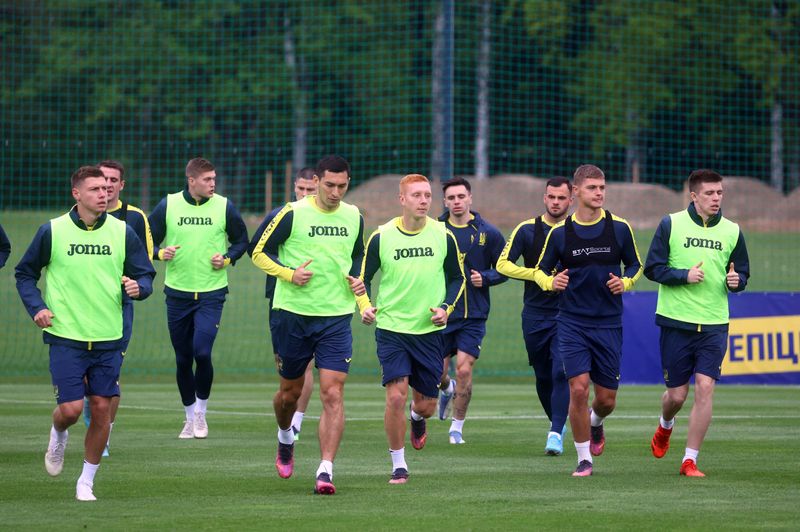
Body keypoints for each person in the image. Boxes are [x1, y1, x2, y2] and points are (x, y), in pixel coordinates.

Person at [15, 165, 155, 501]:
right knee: (71, 410)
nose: (104, 194)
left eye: (107, 189)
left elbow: (146, 275)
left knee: (102, 409)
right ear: (76, 194)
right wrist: (37, 308)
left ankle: (86, 482)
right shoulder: (52, 231)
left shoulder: (123, 232)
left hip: (109, 336)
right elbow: (24, 274)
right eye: (95, 189)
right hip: (66, 335)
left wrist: (140, 287)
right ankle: (58, 432)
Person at [251, 155, 366, 495]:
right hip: (292, 315)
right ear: (315, 181)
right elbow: (257, 251)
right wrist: (289, 274)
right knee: (289, 394)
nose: (335, 192)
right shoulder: (291, 213)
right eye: (329, 185)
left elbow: (359, 255)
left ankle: (325, 470)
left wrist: (357, 282)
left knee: (333, 392)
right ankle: (285, 436)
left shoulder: (354, 215)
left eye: (342, 186)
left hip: (335, 316)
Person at [533, 164, 642, 477]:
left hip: (608, 323)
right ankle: (583, 459)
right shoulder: (559, 234)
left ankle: (596, 422)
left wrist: (626, 283)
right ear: (576, 192)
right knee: (578, 389)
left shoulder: (619, 228)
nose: (599, 193)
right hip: (571, 323)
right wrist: (550, 283)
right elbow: (541, 271)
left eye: (602, 188)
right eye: (592, 188)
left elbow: (636, 265)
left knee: (605, 400)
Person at [359, 173, 465, 484]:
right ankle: (398, 464)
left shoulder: (443, 235)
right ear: (402, 199)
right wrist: (364, 307)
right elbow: (362, 279)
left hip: (429, 333)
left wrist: (446, 308)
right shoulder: (381, 236)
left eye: (427, 195)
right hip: (392, 329)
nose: (423, 200)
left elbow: (457, 279)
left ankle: (417, 418)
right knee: (395, 396)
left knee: (426, 405)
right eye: (416, 195)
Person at [644, 169, 750, 477]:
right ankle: (666, 425)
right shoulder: (671, 224)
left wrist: (736, 281)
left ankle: (689, 460)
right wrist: (683, 275)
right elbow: (653, 268)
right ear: (694, 196)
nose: (716, 198)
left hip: (715, 323)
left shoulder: (732, 230)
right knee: (676, 396)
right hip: (676, 322)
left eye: (720, 193)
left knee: (705, 388)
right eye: (709, 193)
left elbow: (742, 273)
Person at [149, 157, 248, 439]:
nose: (212, 184)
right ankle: (189, 418)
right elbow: (145, 240)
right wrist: (159, 253)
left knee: (201, 352)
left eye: (214, 179)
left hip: (211, 294)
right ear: (191, 180)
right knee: (183, 359)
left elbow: (242, 241)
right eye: (207, 180)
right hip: (177, 293)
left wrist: (227, 258)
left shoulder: (224, 206)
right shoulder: (168, 204)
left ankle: (201, 413)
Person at [81, 160, 154, 457]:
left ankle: (103, 433)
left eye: (112, 180)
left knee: (111, 374)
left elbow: (145, 261)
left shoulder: (134, 218)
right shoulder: (76, 220)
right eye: (101, 181)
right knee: (85, 377)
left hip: (118, 306)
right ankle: (90, 421)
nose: (107, 186)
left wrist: (136, 284)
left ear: (121, 185)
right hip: (82, 307)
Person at [496, 176, 573, 455]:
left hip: (568, 313)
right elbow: (502, 264)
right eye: (551, 197)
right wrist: (537, 276)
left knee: (560, 371)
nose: (555, 202)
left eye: (561, 198)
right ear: (544, 198)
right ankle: (559, 421)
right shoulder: (526, 229)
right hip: (535, 313)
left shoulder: (579, 230)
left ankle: (554, 433)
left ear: (570, 200)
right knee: (542, 375)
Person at [248, 167, 319, 442]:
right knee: (288, 365)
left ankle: (297, 421)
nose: (304, 194)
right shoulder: (282, 215)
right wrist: (287, 272)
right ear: (294, 187)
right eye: (300, 189)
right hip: (281, 298)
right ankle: (288, 414)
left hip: (318, 301)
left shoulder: (328, 218)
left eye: (309, 190)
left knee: (308, 364)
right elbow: (257, 248)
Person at [434, 176, 506, 444]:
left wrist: (486, 277)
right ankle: (446, 388)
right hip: (440, 314)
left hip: (474, 314)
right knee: (437, 375)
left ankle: (457, 427)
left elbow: (505, 268)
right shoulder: (435, 229)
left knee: (464, 369)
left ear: (470, 198)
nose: (456, 202)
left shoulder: (489, 233)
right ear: (445, 201)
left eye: (461, 197)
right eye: (451, 198)